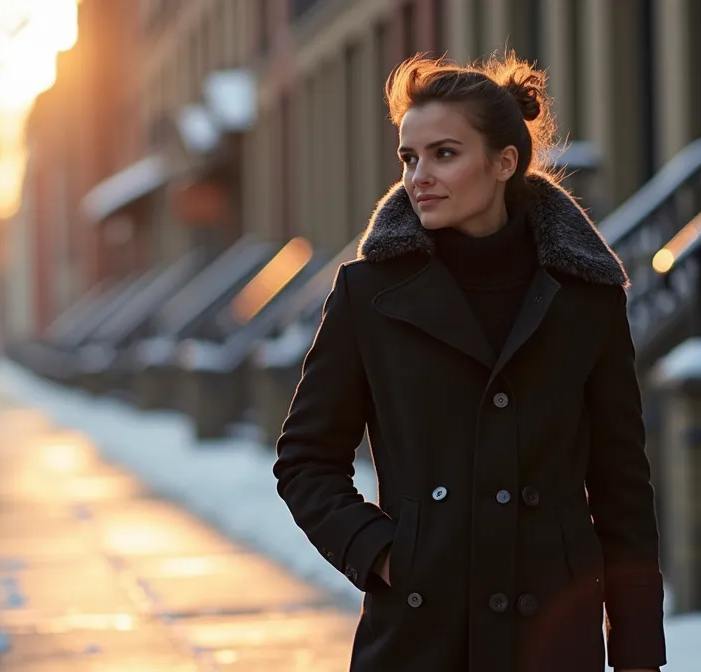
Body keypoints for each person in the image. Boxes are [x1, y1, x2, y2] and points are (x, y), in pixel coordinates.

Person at [272, 53, 665, 671]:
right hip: (419, 639)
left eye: (444, 154)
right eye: (409, 157)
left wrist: (639, 650)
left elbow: (621, 488)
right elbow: (305, 462)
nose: (418, 176)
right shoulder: (369, 295)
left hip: (553, 642)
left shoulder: (585, 298)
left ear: (504, 162)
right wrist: (385, 553)